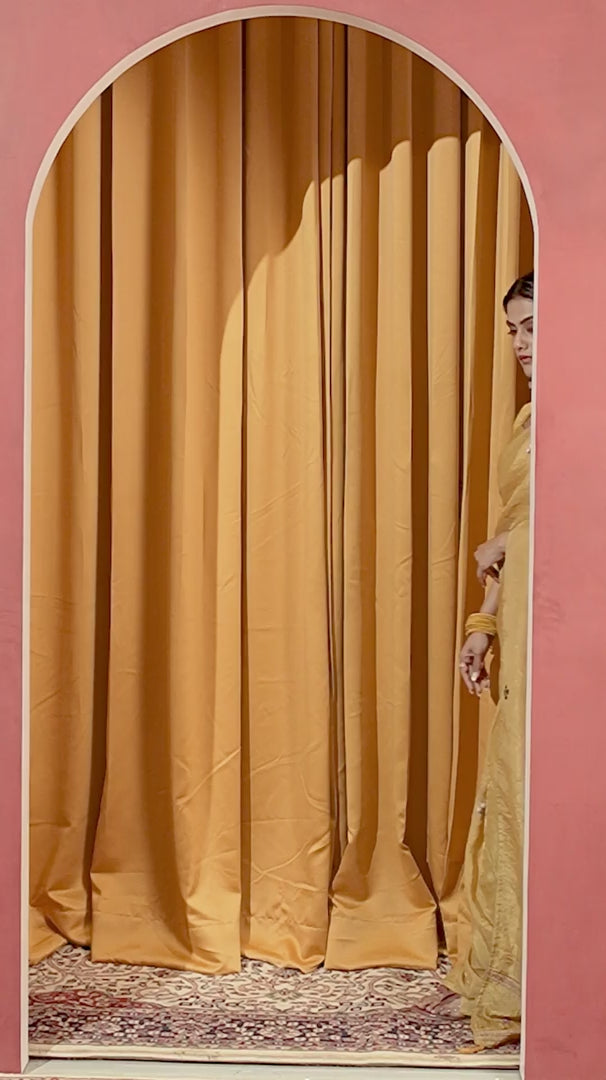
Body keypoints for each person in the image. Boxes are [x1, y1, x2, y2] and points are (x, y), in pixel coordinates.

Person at [435, 271, 534, 1049]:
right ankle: (508, 972)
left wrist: (513, 539)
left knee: (541, 791)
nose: (521, 344)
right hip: (524, 622)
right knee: (510, 785)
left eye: (532, 327)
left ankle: (544, 979)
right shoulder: (532, 419)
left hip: (569, 631)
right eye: (512, 331)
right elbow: (513, 523)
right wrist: (483, 625)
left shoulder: (589, 414)